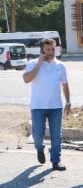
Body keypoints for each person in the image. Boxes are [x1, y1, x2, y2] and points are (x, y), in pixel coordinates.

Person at [22, 38, 70, 171]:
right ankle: (40, 148)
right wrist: (39, 64)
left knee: (56, 135)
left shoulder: (61, 65)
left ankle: (56, 161)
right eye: (48, 49)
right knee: (38, 136)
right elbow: (26, 80)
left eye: (53, 49)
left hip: (56, 107)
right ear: (42, 50)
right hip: (38, 106)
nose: (51, 52)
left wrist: (68, 102)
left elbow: (65, 85)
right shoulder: (32, 63)